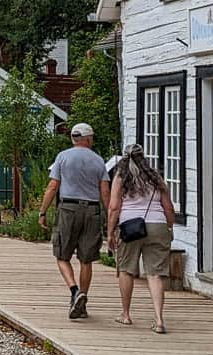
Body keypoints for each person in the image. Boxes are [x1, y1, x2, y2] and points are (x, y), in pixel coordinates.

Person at [38, 122, 110, 320]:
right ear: (88, 139)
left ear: (74, 139)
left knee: (62, 254)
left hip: (68, 208)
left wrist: (42, 211)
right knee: (86, 259)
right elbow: (105, 191)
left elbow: (53, 186)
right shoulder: (98, 160)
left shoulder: (63, 157)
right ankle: (83, 298)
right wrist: (110, 217)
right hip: (92, 210)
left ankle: (74, 291)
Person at [107, 144, 175, 334]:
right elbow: (168, 206)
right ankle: (159, 319)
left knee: (127, 270)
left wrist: (110, 232)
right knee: (155, 273)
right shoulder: (155, 177)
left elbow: (113, 207)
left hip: (131, 227)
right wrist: (168, 226)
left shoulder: (121, 177)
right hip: (158, 225)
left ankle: (126, 314)